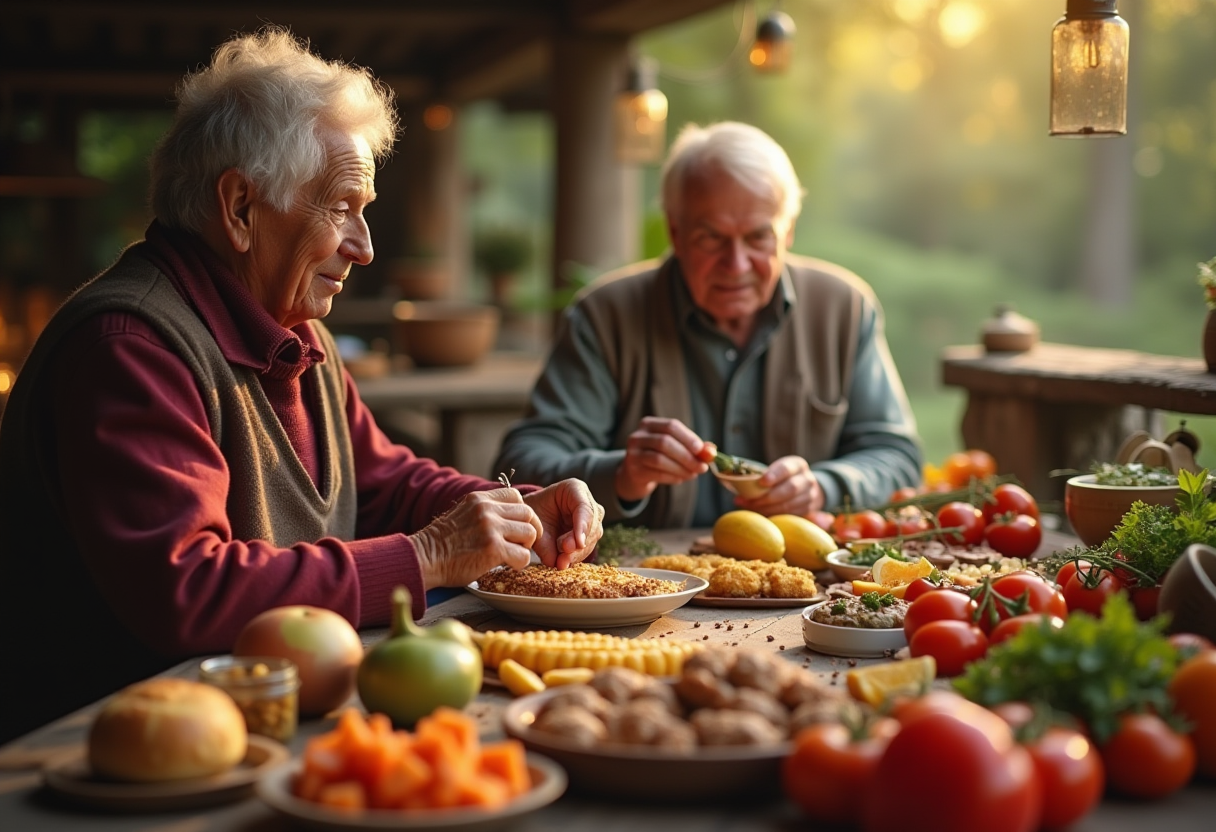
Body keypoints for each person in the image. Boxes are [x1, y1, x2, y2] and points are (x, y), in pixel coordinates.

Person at [0, 26, 603, 744]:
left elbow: (380, 483)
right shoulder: (129, 346)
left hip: (257, 721)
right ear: (240, 209)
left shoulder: (294, 331)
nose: (365, 245)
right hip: (112, 756)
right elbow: (188, 591)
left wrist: (509, 511)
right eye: (341, 206)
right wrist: (429, 557)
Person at [493, 121, 922, 529]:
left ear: (788, 232)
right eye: (711, 238)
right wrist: (623, 473)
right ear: (676, 234)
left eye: (758, 237)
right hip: (641, 583)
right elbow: (519, 465)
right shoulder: (605, 316)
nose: (736, 265)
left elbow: (897, 457)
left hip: (804, 582)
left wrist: (824, 487)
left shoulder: (844, 309)